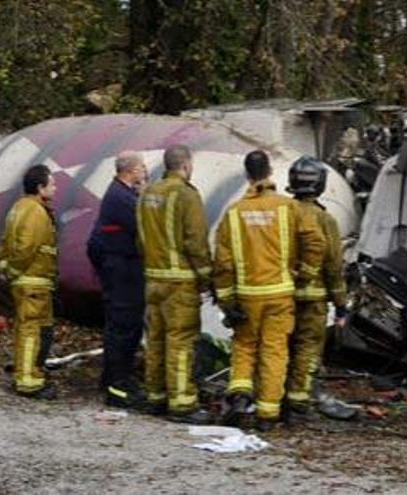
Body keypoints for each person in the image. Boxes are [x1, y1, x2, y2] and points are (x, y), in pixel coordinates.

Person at [213, 150, 325, 430]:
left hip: (248, 294)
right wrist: (305, 276)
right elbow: (315, 242)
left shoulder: (234, 212)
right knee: (275, 350)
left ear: (246, 175)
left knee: (244, 346)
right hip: (280, 293)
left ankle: (239, 393)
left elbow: (223, 262)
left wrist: (227, 301)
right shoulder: (289, 207)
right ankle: (267, 414)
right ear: (271, 172)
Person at [136, 144, 213, 424]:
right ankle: (181, 402)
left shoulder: (147, 194)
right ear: (186, 165)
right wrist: (207, 277)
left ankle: (155, 396)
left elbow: (141, 238)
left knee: (155, 340)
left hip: (153, 279)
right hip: (179, 283)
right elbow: (196, 241)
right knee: (181, 341)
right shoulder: (186, 195)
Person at [284, 156, 348, 418]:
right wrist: (341, 303)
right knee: (308, 347)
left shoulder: (282, 212)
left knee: (282, 346)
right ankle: (299, 400)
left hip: (281, 295)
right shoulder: (324, 219)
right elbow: (333, 264)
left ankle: (274, 393)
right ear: (320, 185)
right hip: (314, 298)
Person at [86, 151, 148, 408]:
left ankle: (114, 377)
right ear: (131, 170)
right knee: (124, 325)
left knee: (122, 325)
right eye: (142, 167)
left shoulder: (122, 194)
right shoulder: (120, 198)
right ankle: (117, 384)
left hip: (121, 269)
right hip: (122, 271)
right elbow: (144, 224)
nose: (145, 171)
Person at [0, 164, 58, 399]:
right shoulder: (35, 211)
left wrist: (4, 266)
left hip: (29, 281)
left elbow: (4, 242)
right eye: (52, 184)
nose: (56, 188)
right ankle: (28, 381)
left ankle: (30, 371)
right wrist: (14, 270)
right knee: (31, 330)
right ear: (40, 187)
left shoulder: (18, 208)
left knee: (28, 329)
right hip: (33, 281)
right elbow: (26, 247)